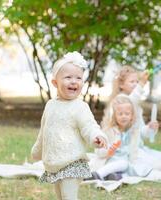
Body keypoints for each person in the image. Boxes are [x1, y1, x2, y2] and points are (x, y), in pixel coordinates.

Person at [31, 51, 107, 200]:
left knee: (68, 196)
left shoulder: (80, 107)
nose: (74, 81)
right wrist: (38, 150)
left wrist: (96, 136)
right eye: (68, 77)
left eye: (78, 78)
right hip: (55, 162)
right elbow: (44, 132)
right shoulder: (50, 105)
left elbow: (89, 126)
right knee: (60, 195)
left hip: (73, 161)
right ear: (55, 83)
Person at [87, 94, 160, 181]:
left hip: (129, 159)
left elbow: (144, 132)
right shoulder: (109, 131)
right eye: (120, 114)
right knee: (123, 164)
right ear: (114, 116)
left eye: (127, 114)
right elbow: (99, 150)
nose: (124, 116)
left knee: (137, 167)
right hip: (112, 159)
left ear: (132, 115)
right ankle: (98, 174)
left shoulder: (134, 129)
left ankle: (114, 176)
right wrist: (108, 150)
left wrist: (150, 128)